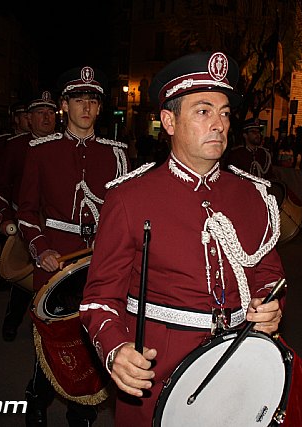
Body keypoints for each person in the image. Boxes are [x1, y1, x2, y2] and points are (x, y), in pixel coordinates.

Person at [79, 51, 285, 426]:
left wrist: (271, 306)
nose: (219, 124)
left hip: (241, 365)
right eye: (204, 111)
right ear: (169, 122)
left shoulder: (254, 195)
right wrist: (117, 350)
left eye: (224, 112)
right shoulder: (129, 198)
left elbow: (271, 274)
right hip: (158, 374)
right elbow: (99, 299)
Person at [17, 66, 128, 426]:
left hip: (99, 265)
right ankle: (38, 397)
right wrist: (41, 249)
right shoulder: (41, 151)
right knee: (53, 343)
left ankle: (82, 411)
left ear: (99, 108)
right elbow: (27, 213)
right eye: (78, 100)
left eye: (92, 102)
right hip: (56, 260)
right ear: (65, 105)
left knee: (93, 343)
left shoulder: (117, 155)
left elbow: (123, 215)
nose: (86, 108)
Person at [0, 92, 56, 341]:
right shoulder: (16, 147)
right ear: (28, 119)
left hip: (54, 225)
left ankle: (53, 333)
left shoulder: (63, 145)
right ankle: (12, 320)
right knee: (24, 280)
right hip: (24, 223)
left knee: (56, 279)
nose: (46, 118)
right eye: (40, 113)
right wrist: (5, 218)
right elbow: (0, 187)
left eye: (50, 113)